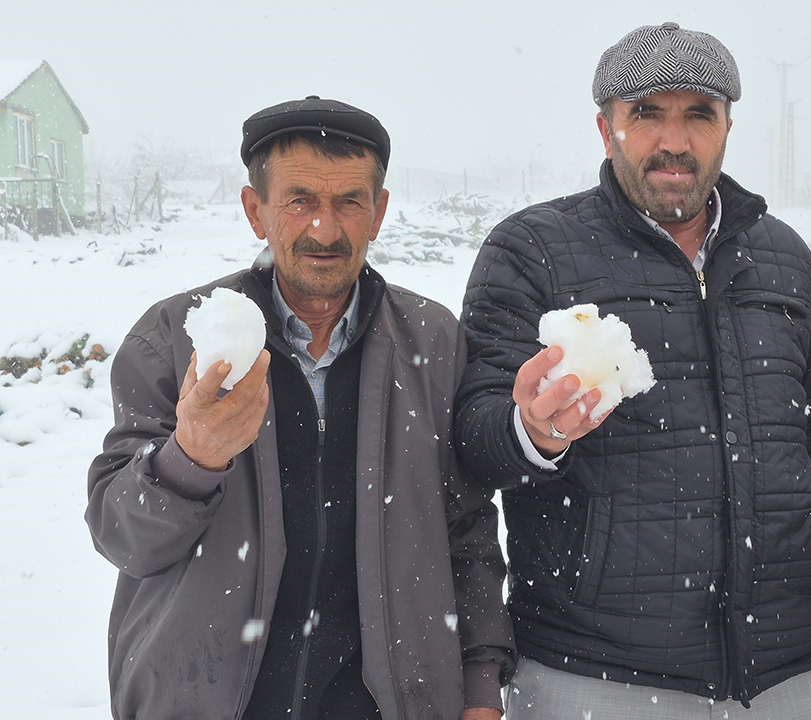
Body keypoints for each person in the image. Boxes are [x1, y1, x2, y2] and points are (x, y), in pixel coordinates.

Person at [454, 22, 811, 719]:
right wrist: (531, 431)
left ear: (727, 125)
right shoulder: (532, 250)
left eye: (699, 114)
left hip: (794, 672)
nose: (675, 141)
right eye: (646, 115)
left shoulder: (782, 255)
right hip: (600, 675)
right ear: (606, 130)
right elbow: (473, 440)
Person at [85, 96, 514, 720]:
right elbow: (122, 535)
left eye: (349, 201)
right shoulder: (177, 337)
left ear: (380, 212)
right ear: (255, 211)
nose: (325, 228)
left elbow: (466, 528)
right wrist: (192, 458)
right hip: (203, 701)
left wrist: (479, 690)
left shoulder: (433, 342)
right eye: (300, 200)